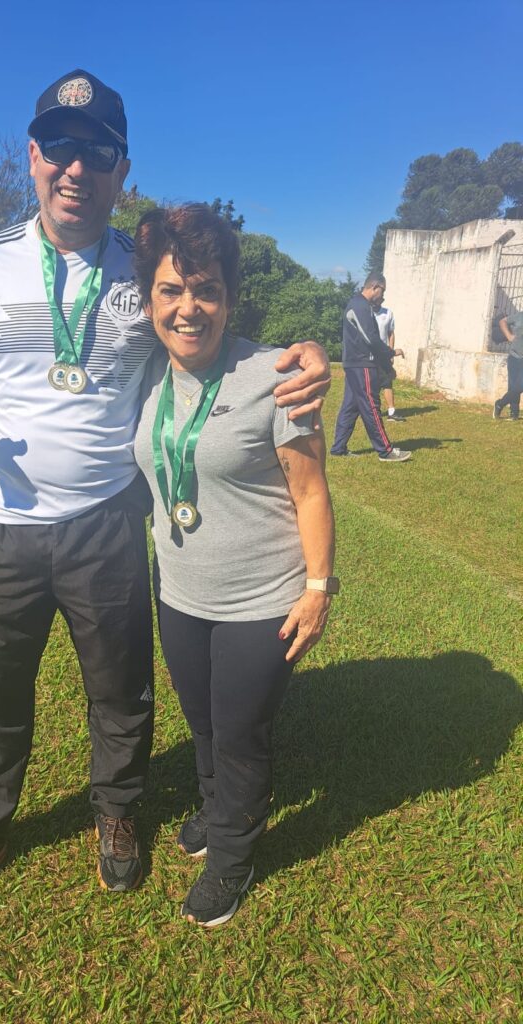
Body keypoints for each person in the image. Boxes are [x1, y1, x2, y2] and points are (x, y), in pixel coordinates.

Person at [0, 69, 332, 916]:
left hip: (108, 521)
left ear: (120, 168)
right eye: (59, 148)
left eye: (96, 153)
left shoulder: (149, 269)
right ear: (32, 157)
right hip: (8, 524)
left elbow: (216, 326)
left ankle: (120, 815)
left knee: (120, 690)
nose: (75, 168)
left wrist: (308, 346)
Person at [132, 204, 336, 927]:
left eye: (206, 289)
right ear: (151, 299)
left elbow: (310, 490)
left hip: (263, 599)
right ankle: (218, 812)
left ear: (229, 297)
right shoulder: (145, 375)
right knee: (204, 723)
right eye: (171, 290)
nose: (189, 308)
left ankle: (232, 861)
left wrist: (318, 589)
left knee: (241, 732)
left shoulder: (273, 375)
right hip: (181, 591)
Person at [330, 273, 412, 462]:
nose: (382, 295)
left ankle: (338, 448)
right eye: (382, 291)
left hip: (354, 364)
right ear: (375, 287)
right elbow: (371, 339)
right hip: (362, 365)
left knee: (350, 407)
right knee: (371, 406)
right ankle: (385, 450)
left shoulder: (361, 306)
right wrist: (390, 353)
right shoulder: (359, 306)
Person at [372, 295, 405, 422]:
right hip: (370, 354)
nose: (376, 302)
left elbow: (390, 333)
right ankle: (374, 411)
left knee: (387, 382)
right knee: (372, 383)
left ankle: (391, 412)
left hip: (384, 353)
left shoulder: (388, 314)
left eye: (378, 300)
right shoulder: (367, 314)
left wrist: (391, 352)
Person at [493, 310, 523, 420]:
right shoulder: (519, 316)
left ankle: (500, 404)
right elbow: (502, 321)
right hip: (514, 356)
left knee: (520, 386)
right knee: (514, 386)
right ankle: (514, 413)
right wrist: (509, 336)